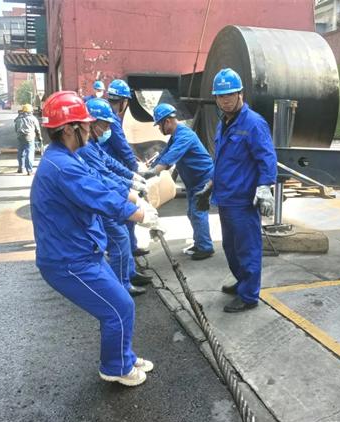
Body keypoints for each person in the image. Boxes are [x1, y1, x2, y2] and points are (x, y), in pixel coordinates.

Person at [30, 91, 158, 386]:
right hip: (68, 261)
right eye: (85, 125)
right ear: (68, 129)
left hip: (83, 251)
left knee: (120, 303)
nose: (89, 129)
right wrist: (141, 215)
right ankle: (115, 367)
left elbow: (99, 179)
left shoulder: (66, 157)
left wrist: (132, 195)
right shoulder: (63, 167)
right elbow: (99, 197)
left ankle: (123, 356)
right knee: (119, 308)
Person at [195, 68, 277, 313]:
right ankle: (243, 281)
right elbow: (222, 160)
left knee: (247, 248)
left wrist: (265, 187)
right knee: (230, 248)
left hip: (243, 201)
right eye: (220, 96)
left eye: (230, 94)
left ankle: (249, 295)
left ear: (241, 94)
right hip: (225, 199)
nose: (225, 100)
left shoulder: (253, 123)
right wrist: (210, 186)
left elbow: (267, 158)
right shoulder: (224, 123)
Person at [79, 97, 153, 296]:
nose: (107, 130)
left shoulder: (92, 143)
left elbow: (110, 163)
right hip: (101, 200)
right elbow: (104, 176)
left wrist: (133, 176)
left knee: (123, 236)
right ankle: (121, 286)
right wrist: (131, 188)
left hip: (106, 195)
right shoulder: (85, 148)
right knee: (119, 239)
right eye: (105, 125)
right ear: (92, 123)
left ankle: (128, 274)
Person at [145, 103, 214, 260]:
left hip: (203, 179)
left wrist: (153, 172)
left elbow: (171, 157)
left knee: (198, 213)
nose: (159, 128)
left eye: (159, 125)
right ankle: (200, 243)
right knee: (192, 213)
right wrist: (151, 167)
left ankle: (205, 247)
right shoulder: (176, 135)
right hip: (193, 180)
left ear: (167, 121)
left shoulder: (184, 135)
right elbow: (165, 153)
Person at [106, 79, 149, 259]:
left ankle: (130, 247)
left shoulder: (107, 115)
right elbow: (122, 147)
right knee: (124, 211)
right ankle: (126, 252)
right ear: (124, 101)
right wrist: (135, 170)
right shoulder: (111, 119)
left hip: (112, 168)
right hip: (112, 173)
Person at [14, 104, 42, 175]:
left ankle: (20, 168)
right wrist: (39, 137)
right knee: (29, 153)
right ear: (31, 111)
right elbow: (37, 129)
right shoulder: (33, 118)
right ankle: (29, 170)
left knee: (21, 152)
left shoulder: (18, 118)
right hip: (29, 138)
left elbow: (16, 129)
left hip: (20, 137)